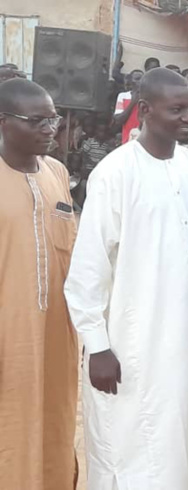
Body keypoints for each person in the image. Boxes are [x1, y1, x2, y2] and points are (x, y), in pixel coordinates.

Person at [64, 67, 188, 489]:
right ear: (144, 110)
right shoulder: (115, 172)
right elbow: (88, 268)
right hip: (129, 343)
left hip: (186, 336)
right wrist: (98, 346)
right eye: (177, 109)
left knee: (179, 438)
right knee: (127, 446)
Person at [0, 78, 78, 490]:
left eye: (54, 119)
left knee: (55, 426)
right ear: (3, 122)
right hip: (8, 342)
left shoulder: (57, 173)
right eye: (38, 121)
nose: (51, 129)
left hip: (56, 343)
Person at [113, 69, 143, 144]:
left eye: (142, 79)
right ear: (130, 82)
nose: (140, 81)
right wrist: (133, 102)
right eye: (137, 79)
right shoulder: (123, 96)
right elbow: (118, 120)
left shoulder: (150, 97)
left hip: (144, 142)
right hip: (127, 140)